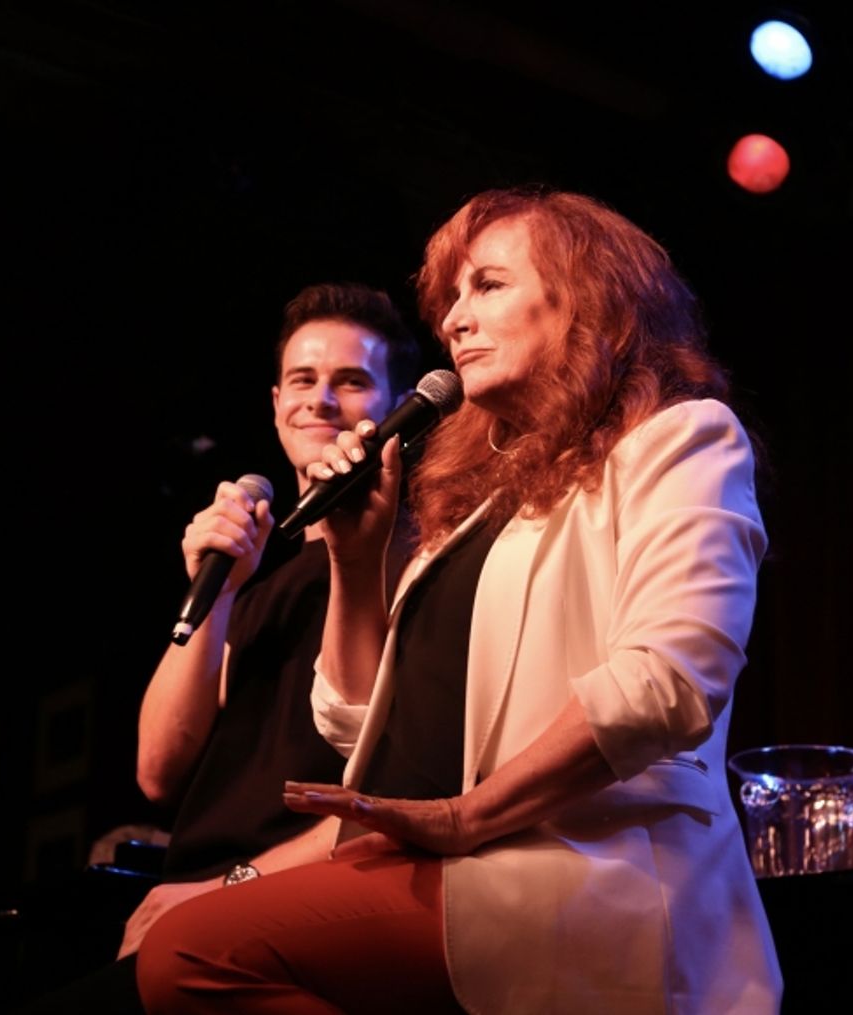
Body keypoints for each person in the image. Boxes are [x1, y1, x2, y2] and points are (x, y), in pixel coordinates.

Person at [135, 188, 782, 1013]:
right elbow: (357, 720)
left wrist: (470, 814)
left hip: (583, 862)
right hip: (460, 863)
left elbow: (671, 676)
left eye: (488, 286)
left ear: (582, 300)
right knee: (178, 947)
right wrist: (356, 560)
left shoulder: (680, 438)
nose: (456, 321)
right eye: (452, 301)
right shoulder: (479, 508)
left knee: (195, 952)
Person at [12, 281, 421, 1013]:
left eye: (352, 381)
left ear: (395, 405)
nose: (320, 400)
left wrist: (222, 892)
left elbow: (402, 792)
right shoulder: (259, 582)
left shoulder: (418, 554)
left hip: (305, 896)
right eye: (303, 379)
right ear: (274, 403)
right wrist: (219, 589)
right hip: (192, 895)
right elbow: (159, 770)